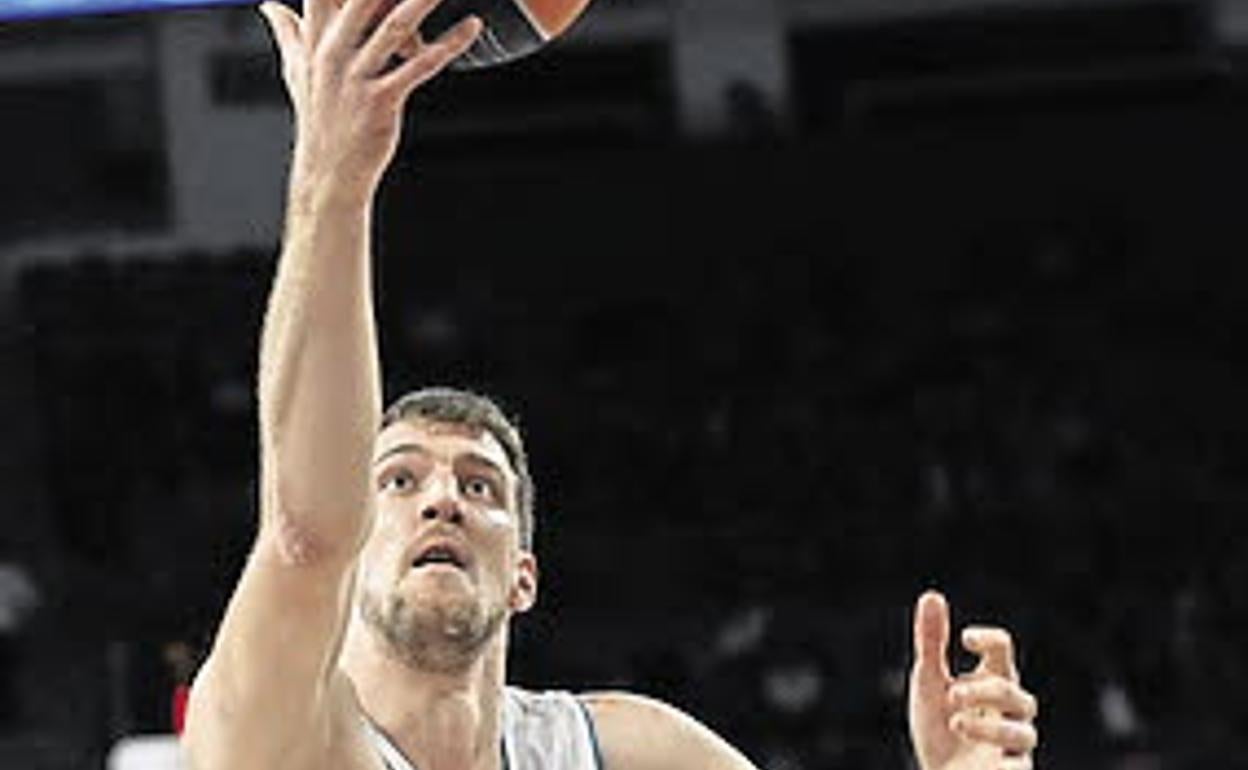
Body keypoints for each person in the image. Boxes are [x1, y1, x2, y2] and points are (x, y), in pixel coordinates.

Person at [183, 0, 1041, 768]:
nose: (442, 500)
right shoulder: (285, 733)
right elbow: (306, 535)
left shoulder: (625, 749)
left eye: (480, 487)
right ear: (359, 544)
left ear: (523, 576)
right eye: (399, 481)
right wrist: (333, 184)